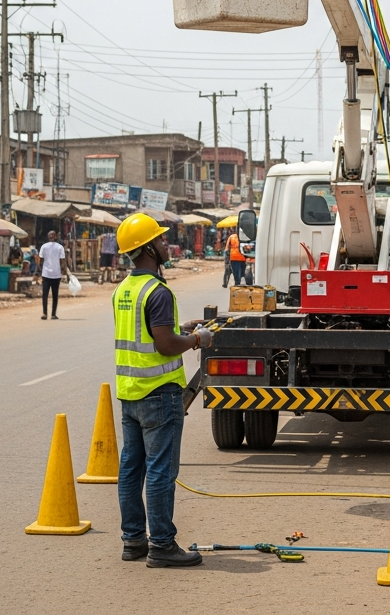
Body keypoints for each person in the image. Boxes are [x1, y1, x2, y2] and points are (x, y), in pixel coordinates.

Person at [113, 212, 214, 568]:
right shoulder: (158, 291)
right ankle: (162, 545)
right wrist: (197, 338)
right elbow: (166, 345)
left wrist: (179, 327)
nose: (166, 243)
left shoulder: (123, 290)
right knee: (159, 472)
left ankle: (133, 541)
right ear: (148, 250)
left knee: (132, 469)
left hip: (130, 394)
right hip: (159, 394)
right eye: (160, 240)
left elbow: (149, 332)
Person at [39, 230, 66, 320]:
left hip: (46, 274)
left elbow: (40, 261)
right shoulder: (60, 247)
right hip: (56, 274)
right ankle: (53, 314)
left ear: (48, 237)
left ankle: (44, 313)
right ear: (56, 237)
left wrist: (37, 272)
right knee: (55, 295)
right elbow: (62, 261)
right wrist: (64, 272)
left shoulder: (44, 246)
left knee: (45, 295)